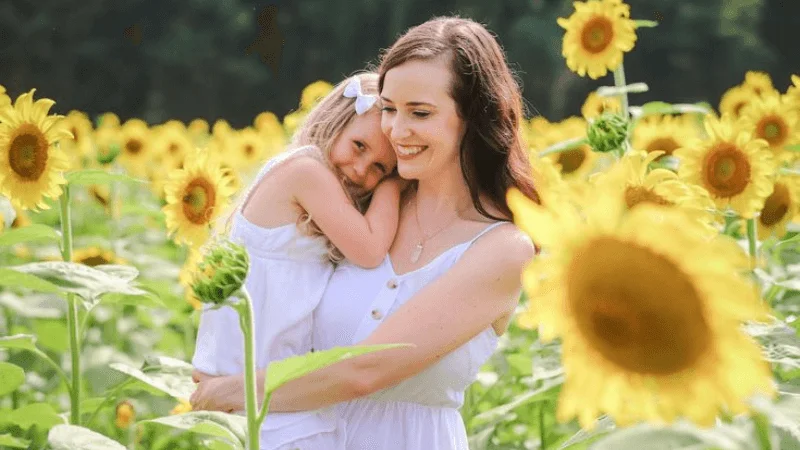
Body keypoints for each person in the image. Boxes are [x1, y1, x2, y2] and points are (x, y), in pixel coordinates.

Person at [191, 16, 539, 449]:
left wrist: (229, 391)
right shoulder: (360, 207)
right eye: (389, 108)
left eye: (420, 113)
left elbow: (365, 371)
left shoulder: (502, 249)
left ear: (474, 118)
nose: (396, 130)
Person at [191, 72, 401, 450]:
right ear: (334, 121)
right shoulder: (307, 172)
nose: (361, 170)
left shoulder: (311, 179)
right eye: (358, 147)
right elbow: (370, 250)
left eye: (379, 169)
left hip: (260, 392)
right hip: (257, 394)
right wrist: (395, 184)